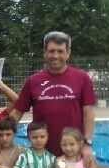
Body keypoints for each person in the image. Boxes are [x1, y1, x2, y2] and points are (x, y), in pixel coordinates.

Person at [9, 31, 97, 160]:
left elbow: (88, 112)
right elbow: (17, 112)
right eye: (51, 51)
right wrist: (0, 138)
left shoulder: (82, 78)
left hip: (73, 153)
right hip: (42, 154)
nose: (55, 56)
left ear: (68, 53)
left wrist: (87, 144)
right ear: (45, 53)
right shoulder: (33, 81)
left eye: (60, 51)